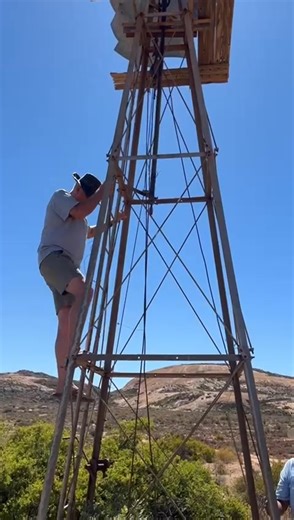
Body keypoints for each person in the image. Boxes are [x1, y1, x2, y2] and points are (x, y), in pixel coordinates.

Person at [38, 172, 119, 398]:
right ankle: (75, 348)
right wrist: (105, 189)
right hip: (54, 258)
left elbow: (90, 231)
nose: (76, 192)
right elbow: (81, 210)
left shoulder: (81, 220)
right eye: (78, 188)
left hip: (63, 266)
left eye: (81, 191)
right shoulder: (61, 197)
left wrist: (114, 220)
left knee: (65, 318)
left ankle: (63, 384)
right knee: (84, 290)